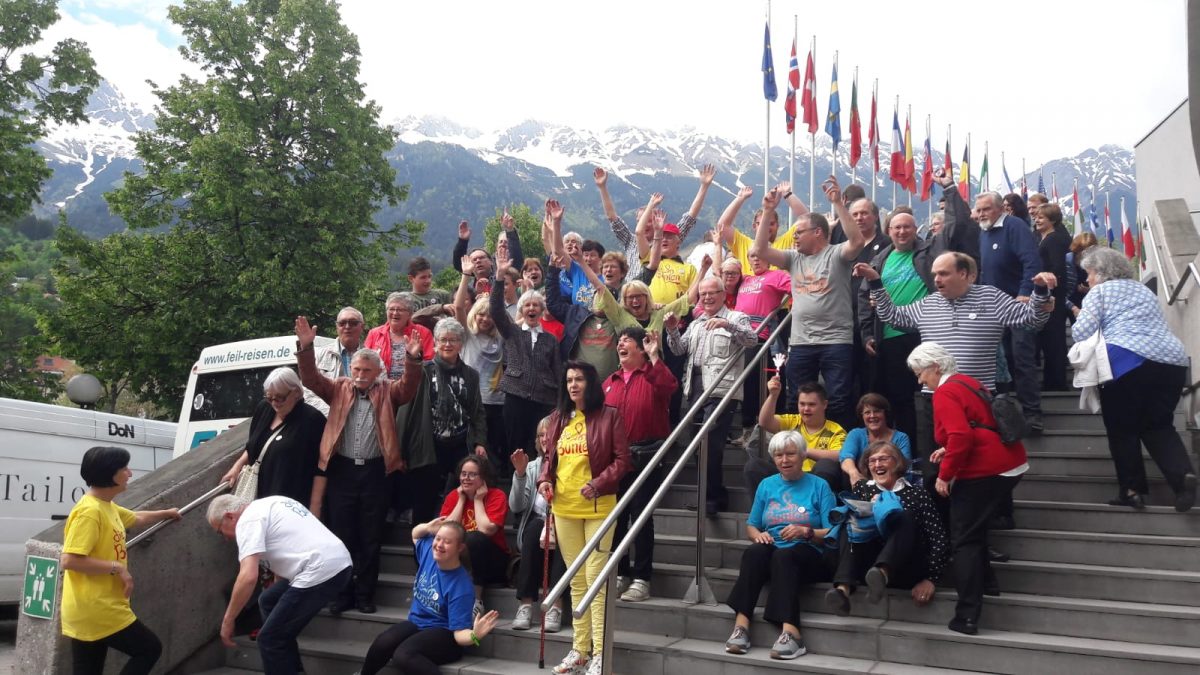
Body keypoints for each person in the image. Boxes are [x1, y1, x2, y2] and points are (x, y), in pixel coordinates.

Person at [296, 315, 421, 614]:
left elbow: (409, 386)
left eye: (367, 370)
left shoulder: (389, 391)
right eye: (356, 369)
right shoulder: (338, 388)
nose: (361, 375)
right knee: (341, 534)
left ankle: (365, 595)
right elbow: (311, 379)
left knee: (370, 535)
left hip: (376, 472)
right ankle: (342, 594)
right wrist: (306, 348)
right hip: (342, 471)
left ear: (379, 371)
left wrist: (414, 360)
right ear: (349, 369)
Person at [906, 342, 1027, 636]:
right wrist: (947, 449)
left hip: (983, 470)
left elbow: (961, 434)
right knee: (974, 531)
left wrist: (945, 476)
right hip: (1010, 461)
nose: (920, 380)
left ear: (935, 367)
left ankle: (967, 615)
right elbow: (977, 426)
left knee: (963, 541)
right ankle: (988, 584)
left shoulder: (945, 392)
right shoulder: (968, 382)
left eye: (921, 372)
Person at [1071, 246, 1196, 511]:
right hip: (1171, 361)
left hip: (1127, 360)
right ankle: (1183, 478)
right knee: (1159, 425)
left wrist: (1077, 315)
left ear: (1102, 272)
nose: (1088, 280)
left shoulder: (1100, 292)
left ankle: (1131, 490)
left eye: (1090, 273)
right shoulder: (1143, 290)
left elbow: (1082, 331)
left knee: (1122, 428)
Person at [536, 361, 632, 675]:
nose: (574, 385)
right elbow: (548, 460)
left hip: (599, 506)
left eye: (579, 380)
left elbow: (622, 461)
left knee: (595, 580)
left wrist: (599, 482)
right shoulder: (556, 419)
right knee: (576, 582)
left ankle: (601, 654)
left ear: (591, 383)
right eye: (569, 380)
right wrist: (544, 481)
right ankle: (580, 651)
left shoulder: (611, 415)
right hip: (563, 508)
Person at [752, 178, 867, 428]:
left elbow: (857, 242)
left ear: (817, 232)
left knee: (837, 400)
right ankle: (798, 450)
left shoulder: (836, 254)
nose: (794, 238)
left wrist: (837, 203)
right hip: (802, 342)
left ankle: (836, 454)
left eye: (798, 233)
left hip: (836, 341)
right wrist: (769, 210)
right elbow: (760, 251)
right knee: (795, 400)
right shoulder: (794, 259)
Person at [61, 447, 180, 675]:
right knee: (149, 648)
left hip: (90, 607)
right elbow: (69, 560)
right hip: (98, 607)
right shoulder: (89, 512)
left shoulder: (106, 506)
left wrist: (166, 512)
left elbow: (135, 518)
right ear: (110, 474)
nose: (130, 473)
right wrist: (117, 568)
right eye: (124, 468)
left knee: (88, 670)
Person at [208, 494, 352, 675]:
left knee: (270, 639)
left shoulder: (248, 521)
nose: (226, 538)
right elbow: (288, 545)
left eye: (220, 531)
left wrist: (228, 620)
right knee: (269, 600)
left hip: (319, 570)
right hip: (335, 562)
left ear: (230, 516)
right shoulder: (271, 503)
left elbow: (248, 576)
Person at [723, 431, 835, 660]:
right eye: (779, 455)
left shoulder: (820, 485)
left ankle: (791, 632)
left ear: (803, 455)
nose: (784, 460)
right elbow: (752, 525)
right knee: (754, 552)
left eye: (791, 454)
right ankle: (741, 626)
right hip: (774, 548)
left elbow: (833, 530)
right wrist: (758, 536)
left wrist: (807, 531)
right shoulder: (766, 485)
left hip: (809, 551)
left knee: (784, 557)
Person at [666, 276, 758, 517]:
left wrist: (726, 325)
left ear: (723, 294)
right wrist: (673, 329)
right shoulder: (696, 323)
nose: (706, 297)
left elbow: (752, 340)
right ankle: (710, 495)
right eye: (703, 294)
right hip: (694, 387)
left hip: (720, 390)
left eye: (711, 293)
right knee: (697, 445)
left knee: (711, 444)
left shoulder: (736, 317)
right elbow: (678, 349)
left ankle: (714, 499)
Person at [358, 518, 500, 675]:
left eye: (447, 542)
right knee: (383, 642)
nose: (439, 545)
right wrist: (427, 527)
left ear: (460, 548)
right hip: (417, 624)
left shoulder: (461, 586)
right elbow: (415, 534)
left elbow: (459, 635)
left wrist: (475, 635)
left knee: (403, 655)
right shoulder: (428, 553)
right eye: (438, 538)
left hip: (446, 636)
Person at [824, 440, 949, 617]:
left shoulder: (917, 493)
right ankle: (842, 590)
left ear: (897, 462)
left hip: (906, 566)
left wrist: (931, 579)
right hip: (868, 565)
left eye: (883, 459)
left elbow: (938, 539)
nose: (877, 465)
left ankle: (882, 572)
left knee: (904, 516)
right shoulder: (862, 490)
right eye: (872, 461)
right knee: (850, 522)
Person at [603, 327, 677, 602]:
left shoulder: (652, 374)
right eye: (619, 341)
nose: (621, 344)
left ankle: (642, 578)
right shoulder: (609, 381)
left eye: (628, 341)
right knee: (616, 517)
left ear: (641, 349)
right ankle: (620, 572)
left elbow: (670, 387)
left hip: (647, 455)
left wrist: (655, 355)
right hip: (615, 459)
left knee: (640, 516)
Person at [393, 317, 487, 523]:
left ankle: (453, 549)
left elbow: (477, 410)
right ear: (435, 343)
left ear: (461, 344)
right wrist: (399, 450)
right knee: (424, 502)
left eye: (453, 340)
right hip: (428, 444)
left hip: (460, 443)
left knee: (458, 499)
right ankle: (422, 550)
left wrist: (480, 441)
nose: (447, 344)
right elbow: (405, 412)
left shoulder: (471, 375)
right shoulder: (423, 371)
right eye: (443, 339)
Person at [972, 191, 1044, 432]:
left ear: (1000, 209)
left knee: (1022, 357)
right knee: (997, 363)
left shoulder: (1015, 226)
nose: (981, 214)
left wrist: (1025, 292)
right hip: (992, 308)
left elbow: (1031, 261)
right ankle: (1004, 415)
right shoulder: (983, 232)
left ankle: (1032, 414)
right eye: (978, 210)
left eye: (986, 209)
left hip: (1017, 305)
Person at [219, 367, 327, 509]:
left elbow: (321, 468)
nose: (274, 402)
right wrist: (236, 468)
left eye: (280, 397)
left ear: (295, 392)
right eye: (270, 397)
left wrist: (314, 508)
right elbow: (252, 446)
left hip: (289, 501)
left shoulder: (312, 420)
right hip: (257, 496)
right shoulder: (264, 408)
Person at [490, 259, 561, 458]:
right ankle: (517, 484)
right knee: (516, 447)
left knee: (541, 448)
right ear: (521, 311)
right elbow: (495, 310)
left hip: (544, 401)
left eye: (536, 305)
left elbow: (558, 372)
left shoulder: (551, 340)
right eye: (527, 305)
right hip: (516, 397)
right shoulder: (511, 332)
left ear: (541, 310)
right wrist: (498, 278)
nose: (532, 308)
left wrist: (561, 404)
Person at [509, 417, 565, 632]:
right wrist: (521, 474)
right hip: (538, 528)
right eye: (541, 435)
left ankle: (555, 606)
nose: (544, 439)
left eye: (549, 434)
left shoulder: (570, 465)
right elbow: (516, 506)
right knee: (533, 529)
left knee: (561, 531)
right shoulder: (533, 467)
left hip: (563, 523)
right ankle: (525, 605)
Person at [440, 455, 510, 616]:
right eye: (463, 474)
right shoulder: (453, 496)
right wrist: (460, 501)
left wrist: (478, 500)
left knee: (474, 537)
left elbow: (487, 530)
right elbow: (446, 531)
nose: (466, 478)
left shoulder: (497, 495)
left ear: (483, 477)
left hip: (493, 562)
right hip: (462, 558)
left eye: (472, 474)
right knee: (439, 541)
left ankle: (476, 601)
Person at [749, 378, 846, 492]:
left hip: (814, 480)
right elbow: (764, 422)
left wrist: (802, 451)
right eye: (802, 404)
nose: (806, 409)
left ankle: (815, 506)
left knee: (826, 465)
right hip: (786, 475)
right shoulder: (792, 420)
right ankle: (766, 507)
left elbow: (840, 456)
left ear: (824, 404)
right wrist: (773, 395)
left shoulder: (836, 430)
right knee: (754, 466)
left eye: (811, 404)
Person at [454, 279, 508, 474]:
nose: (485, 319)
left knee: (493, 445)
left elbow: (519, 319)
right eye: (481, 314)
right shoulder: (467, 335)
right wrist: (465, 277)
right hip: (472, 400)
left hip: (497, 400)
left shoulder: (499, 337)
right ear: (474, 315)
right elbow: (459, 307)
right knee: (474, 446)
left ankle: (491, 484)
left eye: (490, 315)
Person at [717, 181, 810, 273]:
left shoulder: (787, 240)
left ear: (778, 226)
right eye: (761, 224)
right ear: (754, 226)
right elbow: (722, 226)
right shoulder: (744, 244)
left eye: (771, 223)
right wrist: (740, 198)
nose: (766, 227)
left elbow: (807, 219)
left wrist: (787, 194)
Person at [1033, 203, 1072, 391]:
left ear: (1053, 220)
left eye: (1041, 217)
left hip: (1053, 294)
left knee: (1054, 337)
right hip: (1045, 292)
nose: (1036, 220)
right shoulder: (1044, 238)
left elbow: (1057, 267)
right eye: (1036, 216)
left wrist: (1048, 287)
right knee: (1048, 338)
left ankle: (1056, 381)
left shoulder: (1054, 240)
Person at [839, 394, 913, 486]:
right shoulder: (855, 434)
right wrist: (853, 473)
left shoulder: (901, 438)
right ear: (862, 416)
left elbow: (904, 467)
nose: (872, 416)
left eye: (877, 411)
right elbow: (846, 457)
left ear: (885, 413)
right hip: (861, 486)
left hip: (893, 487)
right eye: (867, 413)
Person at [308, 306, 367, 414]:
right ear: (337, 327)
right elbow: (308, 393)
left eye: (353, 323)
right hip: (328, 422)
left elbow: (380, 392)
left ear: (362, 327)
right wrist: (333, 413)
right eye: (342, 323)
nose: (347, 326)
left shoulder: (373, 358)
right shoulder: (320, 355)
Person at [452, 214, 525, 298]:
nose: (478, 261)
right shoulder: (470, 289)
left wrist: (510, 231)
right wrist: (462, 241)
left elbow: (515, 260)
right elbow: (458, 263)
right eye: (474, 260)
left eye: (482, 258)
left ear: (491, 261)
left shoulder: (502, 277)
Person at [364, 292, 435, 377]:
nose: (395, 313)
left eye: (400, 309)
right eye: (391, 309)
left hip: (415, 386)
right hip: (381, 387)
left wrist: (415, 358)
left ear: (409, 314)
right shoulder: (374, 334)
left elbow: (430, 365)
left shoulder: (423, 333)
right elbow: (365, 362)